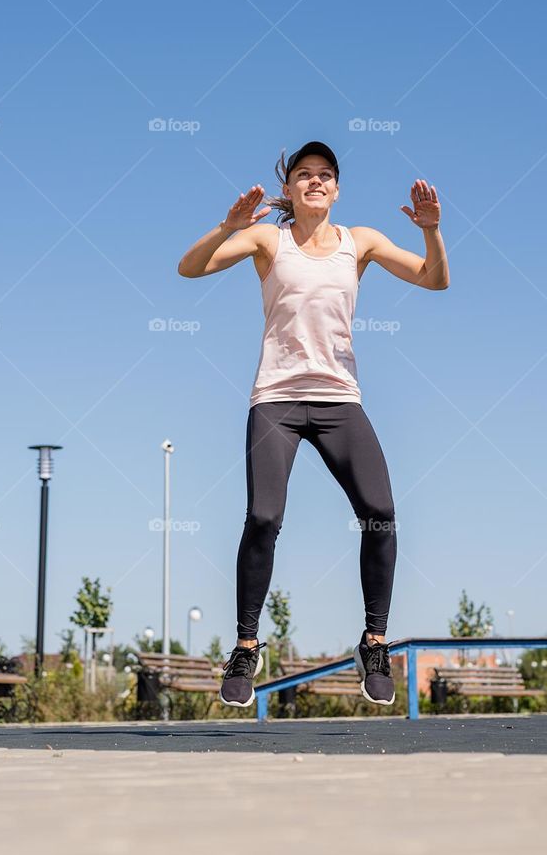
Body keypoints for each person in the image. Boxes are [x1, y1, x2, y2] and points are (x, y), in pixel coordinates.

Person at [177, 140, 449, 709]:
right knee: (264, 515)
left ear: (338, 188)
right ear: (292, 188)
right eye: (305, 174)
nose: (316, 182)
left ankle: (374, 642)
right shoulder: (266, 240)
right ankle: (247, 646)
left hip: (338, 401)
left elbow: (433, 279)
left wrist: (431, 229)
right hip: (276, 399)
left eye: (326, 175)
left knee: (380, 513)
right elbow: (190, 268)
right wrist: (227, 225)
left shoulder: (361, 242)